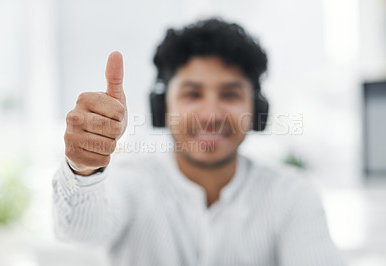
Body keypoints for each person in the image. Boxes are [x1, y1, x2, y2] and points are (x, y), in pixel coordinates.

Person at [53, 18, 346, 266]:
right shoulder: (130, 182)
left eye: (230, 94)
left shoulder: (292, 195)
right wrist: (83, 170)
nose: (211, 114)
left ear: (257, 110)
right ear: (161, 107)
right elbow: (79, 231)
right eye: (192, 94)